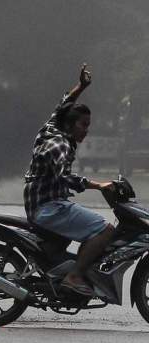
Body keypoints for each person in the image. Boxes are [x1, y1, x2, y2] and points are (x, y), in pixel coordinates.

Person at [23, 64, 115, 296]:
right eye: (83, 125)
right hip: (49, 208)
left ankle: (61, 273)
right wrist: (99, 185)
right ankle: (74, 277)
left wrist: (81, 87)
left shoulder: (52, 128)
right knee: (105, 229)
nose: (86, 130)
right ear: (70, 125)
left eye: (88, 125)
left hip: (42, 205)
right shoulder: (60, 145)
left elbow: (62, 105)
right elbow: (64, 177)